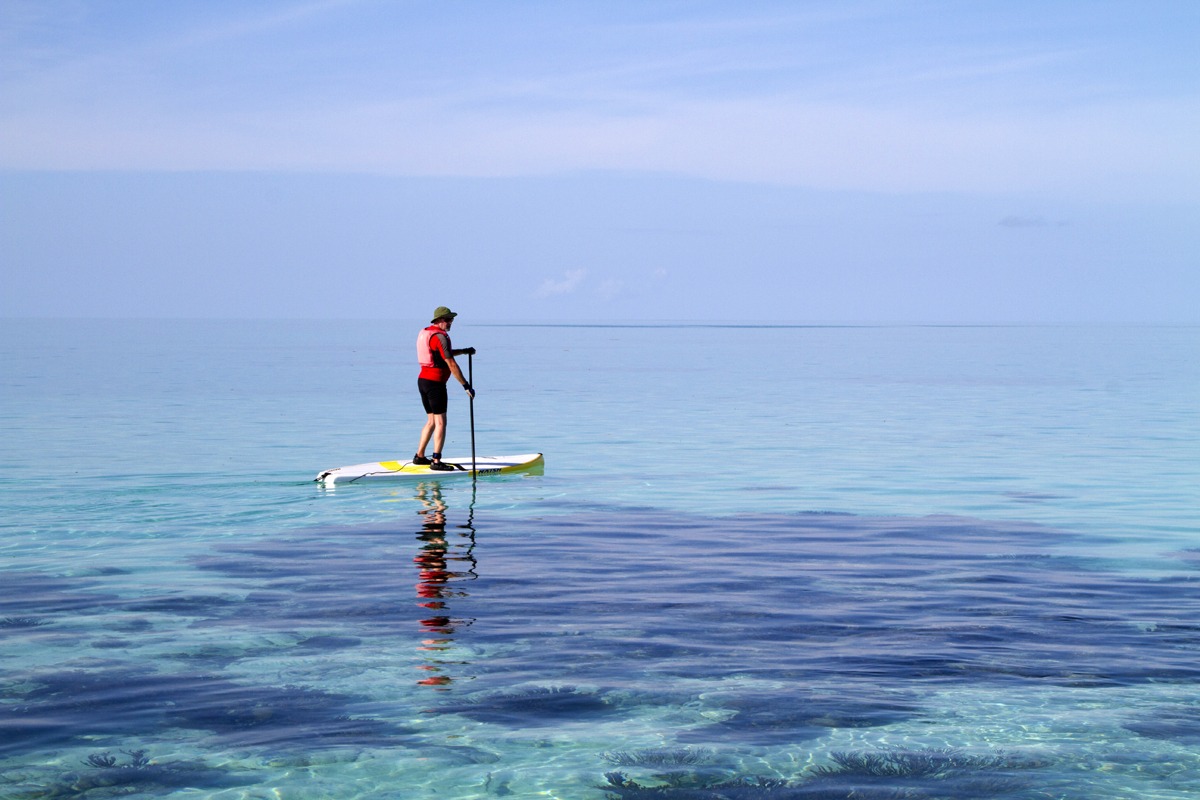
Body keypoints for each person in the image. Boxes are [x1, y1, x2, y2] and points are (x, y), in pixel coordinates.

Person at [414, 306, 475, 471]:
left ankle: (420, 456)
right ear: (439, 320)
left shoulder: (428, 333)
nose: (451, 323)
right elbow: (451, 364)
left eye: (452, 319)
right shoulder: (440, 337)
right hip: (435, 385)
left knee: (431, 421)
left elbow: (442, 353)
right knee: (441, 422)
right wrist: (466, 385)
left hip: (423, 382)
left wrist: (463, 351)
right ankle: (436, 461)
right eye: (448, 320)